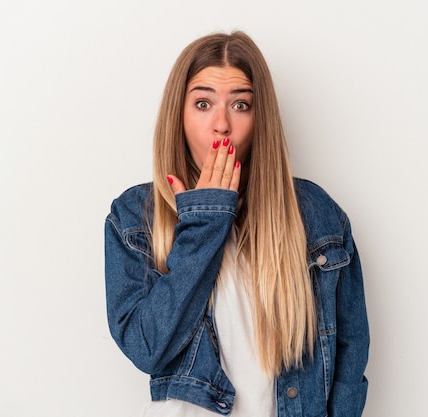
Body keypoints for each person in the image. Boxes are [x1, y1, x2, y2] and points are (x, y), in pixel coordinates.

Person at [104, 30, 369, 416]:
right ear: (178, 114)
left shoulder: (317, 215)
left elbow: (350, 352)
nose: (222, 124)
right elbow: (147, 347)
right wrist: (206, 220)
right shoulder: (134, 216)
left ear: (261, 118)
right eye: (202, 103)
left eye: (241, 105)